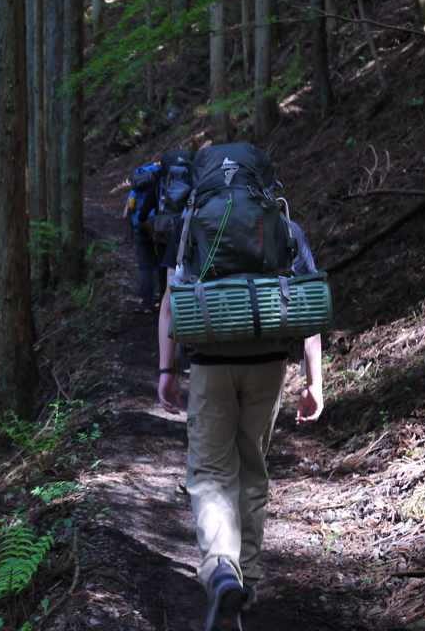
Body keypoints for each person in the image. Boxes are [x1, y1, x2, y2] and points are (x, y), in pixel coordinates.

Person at [156, 218, 324, 631]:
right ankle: (244, 584)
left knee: (212, 472)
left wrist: (166, 369)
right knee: (251, 465)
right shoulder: (284, 224)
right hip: (268, 362)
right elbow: (307, 298)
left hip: (212, 362)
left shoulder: (194, 225)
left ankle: (221, 571)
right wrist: (314, 381)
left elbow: (170, 301)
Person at [126, 182, 159, 313]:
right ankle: (159, 298)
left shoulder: (135, 192)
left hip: (139, 228)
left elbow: (125, 215)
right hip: (156, 226)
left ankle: (147, 304)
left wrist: (134, 228)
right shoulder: (159, 188)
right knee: (158, 264)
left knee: (145, 267)